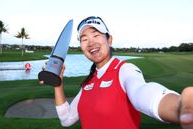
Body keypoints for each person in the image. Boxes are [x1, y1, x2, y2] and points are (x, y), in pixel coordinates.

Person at [41, 16, 193, 129]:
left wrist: (180, 106)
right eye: (84, 39)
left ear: (110, 40)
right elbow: (66, 119)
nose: (91, 42)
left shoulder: (125, 70)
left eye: (96, 35)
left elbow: (141, 92)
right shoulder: (88, 83)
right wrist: (58, 84)